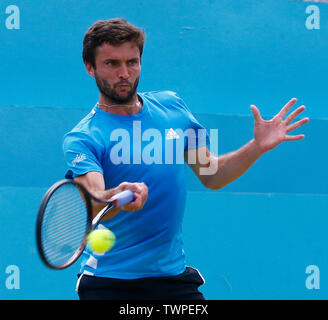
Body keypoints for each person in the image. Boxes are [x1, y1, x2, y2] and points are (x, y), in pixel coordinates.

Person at [63, 18, 309, 300]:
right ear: (90, 68)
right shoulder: (83, 137)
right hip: (110, 283)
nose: (125, 73)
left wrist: (256, 146)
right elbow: (93, 200)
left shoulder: (172, 108)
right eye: (112, 64)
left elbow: (212, 174)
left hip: (173, 280)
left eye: (132, 62)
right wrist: (116, 195)